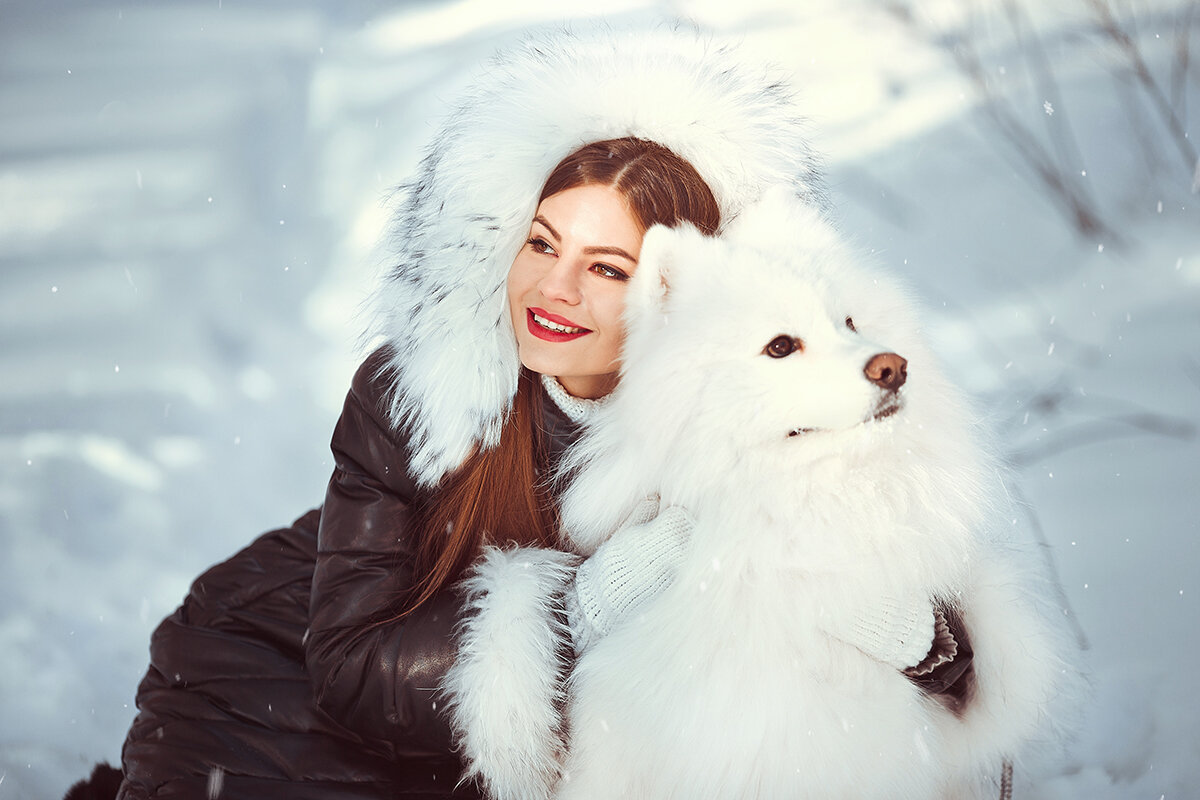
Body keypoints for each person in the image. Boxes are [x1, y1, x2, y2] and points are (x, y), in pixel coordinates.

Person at [85, 27, 967, 800]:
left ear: (674, 296)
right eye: (542, 243)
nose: (552, 287)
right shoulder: (417, 392)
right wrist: (582, 606)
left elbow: (938, 632)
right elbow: (351, 669)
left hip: (493, 758)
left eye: (607, 268)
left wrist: (927, 643)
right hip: (279, 671)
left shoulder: (755, 409)